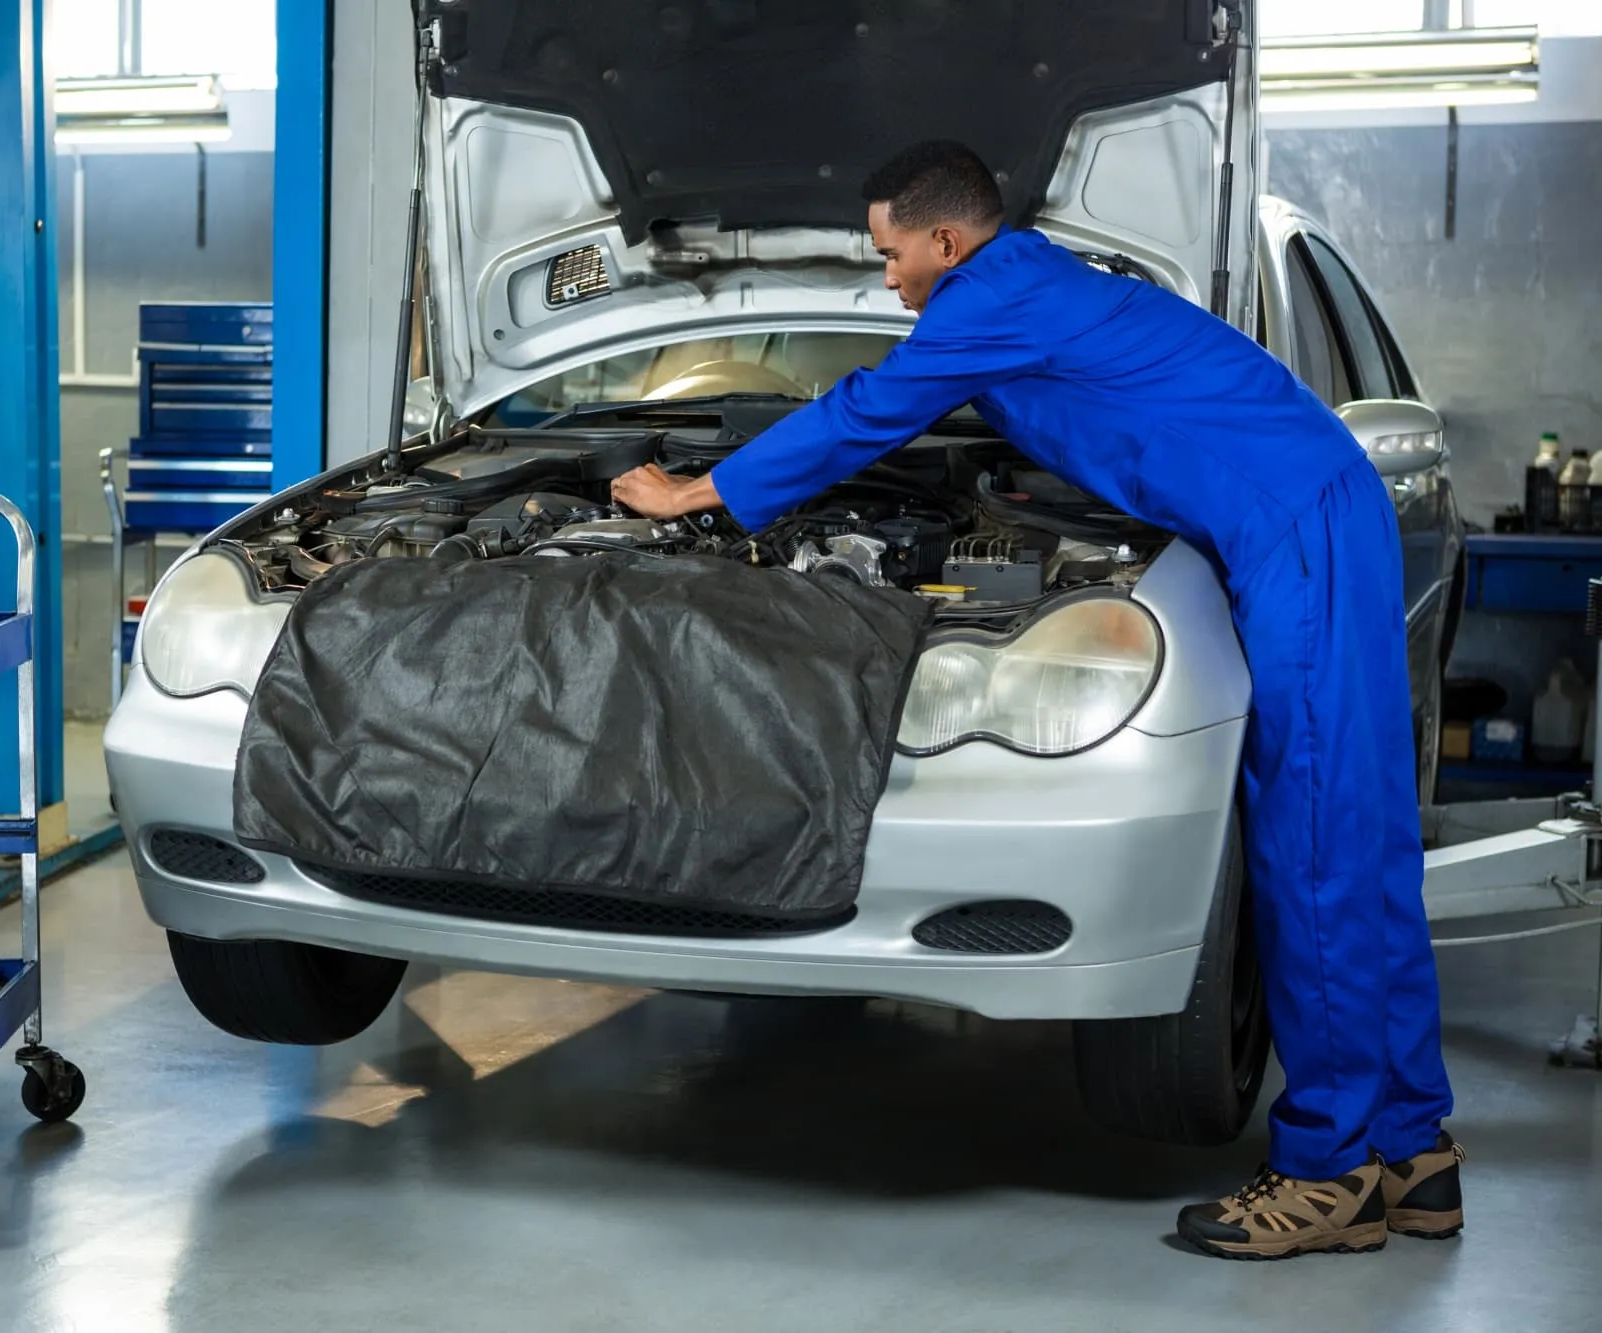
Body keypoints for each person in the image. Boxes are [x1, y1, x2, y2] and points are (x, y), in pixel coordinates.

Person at [610, 140, 1462, 1261]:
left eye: (890, 254)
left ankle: (1329, 1170)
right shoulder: (1033, 284)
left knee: (1312, 845)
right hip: (1305, 511)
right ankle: (1411, 1153)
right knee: (1354, 839)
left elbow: (868, 408)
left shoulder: (989, 299)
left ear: (945, 243)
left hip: (1290, 528)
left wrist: (695, 489)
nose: (886, 279)